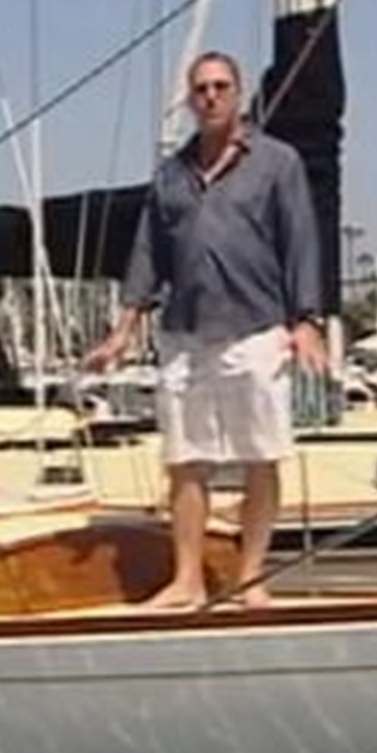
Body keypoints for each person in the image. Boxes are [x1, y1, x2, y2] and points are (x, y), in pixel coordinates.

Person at [83, 50, 326, 611]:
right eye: (201, 89)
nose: (211, 96)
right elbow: (148, 254)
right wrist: (124, 329)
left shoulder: (276, 163)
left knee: (260, 456)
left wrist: (307, 320)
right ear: (190, 100)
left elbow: (301, 242)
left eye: (220, 87)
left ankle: (250, 576)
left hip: (255, 328)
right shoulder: (171, 175)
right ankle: (187, 578)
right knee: (186, 459)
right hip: (185, 333)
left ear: (238, 95)